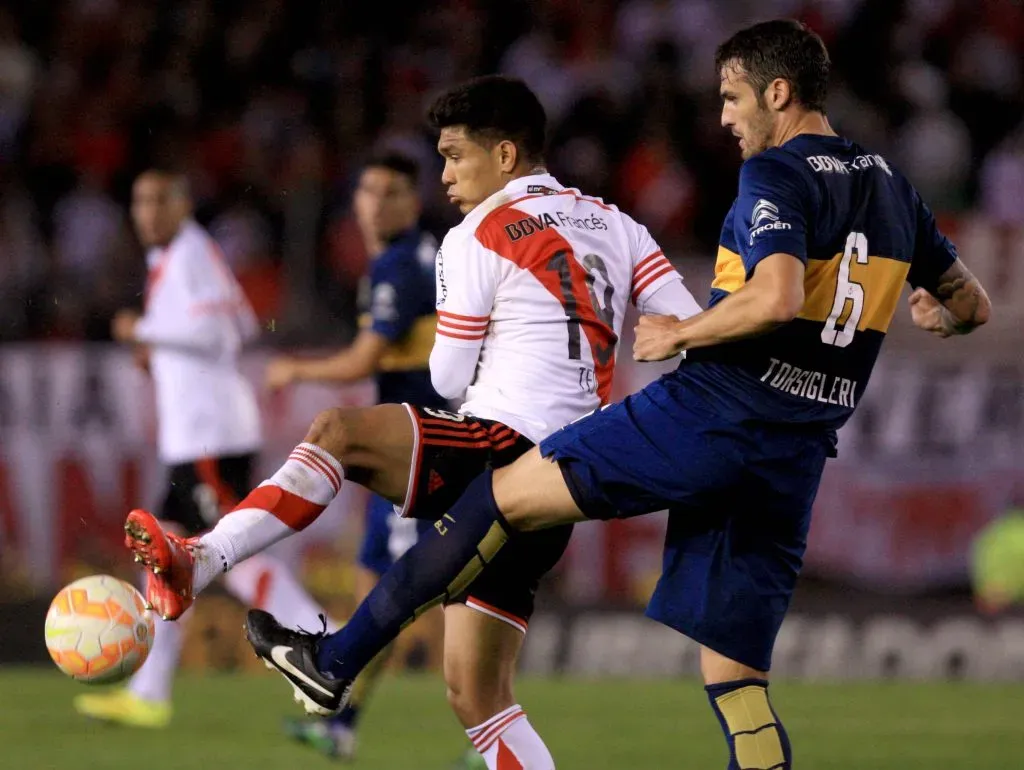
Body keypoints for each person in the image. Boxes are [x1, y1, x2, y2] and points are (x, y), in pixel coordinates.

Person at [221, 21, 991, 769]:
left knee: (499, 494)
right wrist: (939, 315)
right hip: (794, 455)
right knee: (737, 684)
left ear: (778, 93)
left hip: (713, 413)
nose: (723, 116)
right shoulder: (894, 188)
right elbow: (970, 303)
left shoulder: (778, 171)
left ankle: (335, 660)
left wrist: (681, 336)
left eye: (732, 97)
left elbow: (777, 296)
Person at [123, 75, 702, 769]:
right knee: (477, 697)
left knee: (339, 433)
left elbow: (447, 379)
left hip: (499, 443)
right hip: (564, 478)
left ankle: (202, 557)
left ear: (508, 156)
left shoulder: (476, 234)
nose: (447, 176)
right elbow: (690, 323)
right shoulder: (619, 224)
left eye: (457, 156)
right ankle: (252, 601)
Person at [76, 170, 336, 728]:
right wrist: (159, 346)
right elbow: (236, 317)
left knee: (237, 557)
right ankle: (148, 693)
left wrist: (146, 332)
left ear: (182, 204)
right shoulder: (176, 258)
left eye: (157, 200)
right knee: (162, 557)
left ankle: (332, 644)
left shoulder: (191, 252)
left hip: (210, 440)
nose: (145, 212)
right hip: (190, 442)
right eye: (138, 201)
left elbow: (224, 334)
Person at [266, 153, 449, 760]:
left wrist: (296, 366)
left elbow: (361, 362)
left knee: (410, 595)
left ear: (411, 200)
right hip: (415, 448)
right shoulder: (420, 257)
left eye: (391, 191)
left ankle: (490, 731)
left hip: (417, 456)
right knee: (381, 592)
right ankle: (341, 723)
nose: (376, 202)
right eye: (367, 191)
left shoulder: (398, 266)